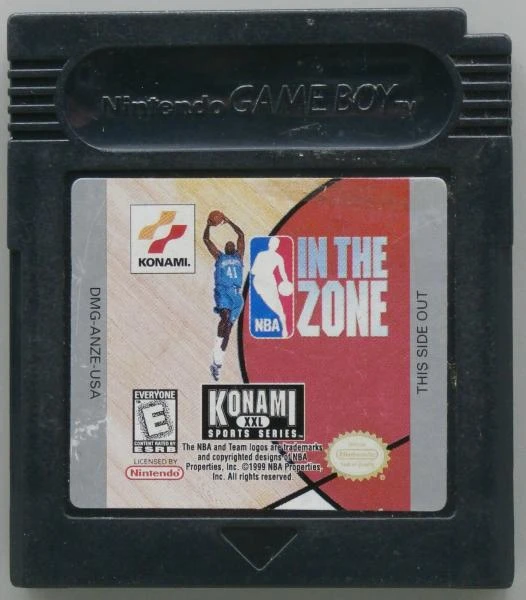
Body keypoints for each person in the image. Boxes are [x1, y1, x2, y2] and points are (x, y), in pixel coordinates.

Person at [203, 213, 245, 381]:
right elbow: (206, 240)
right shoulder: (219, 256)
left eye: (231, 244)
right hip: (223, 292)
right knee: (225, 318)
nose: (230, 243)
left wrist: (229, 221)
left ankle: (217, 361)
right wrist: (208, 225)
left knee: (228, 330)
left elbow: (240, 235)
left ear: (234, 248)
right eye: (227, 244)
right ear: (226, 248)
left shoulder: (239, 256)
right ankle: (217, 349)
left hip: (236, 296)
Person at [251, 237, 291, 338]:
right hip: (263, 282)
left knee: (276, 306)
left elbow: (253, 271)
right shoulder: (276, 257)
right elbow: (283, 274)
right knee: (276, 307)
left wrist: (286, 282)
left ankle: (283, 328)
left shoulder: (264, 255)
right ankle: (283, 327)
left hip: (265, 282)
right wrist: (286, 281)